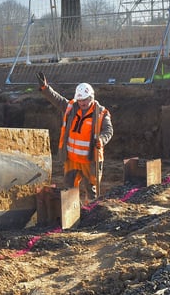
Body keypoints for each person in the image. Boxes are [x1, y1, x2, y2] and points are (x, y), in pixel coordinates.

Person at [38, 72, 113, 202]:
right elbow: (58, 100)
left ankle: (91, 215)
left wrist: (101, 139)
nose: (82, 103)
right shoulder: (72, 108)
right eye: (80, 100)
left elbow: (108, 130)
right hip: (72, 160)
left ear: (91, 98)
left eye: (85, 100)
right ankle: (72, 213)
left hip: (89, 161)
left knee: (91, 191)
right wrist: (45, 88)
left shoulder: (101, 113)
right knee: (69, 190)